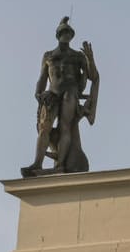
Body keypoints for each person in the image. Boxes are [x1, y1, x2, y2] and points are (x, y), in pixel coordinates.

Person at [24, 16, 98, 177]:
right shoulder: (48, 55)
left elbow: (92, 76)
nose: (66, 35)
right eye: (63, 32)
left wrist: (90, 60)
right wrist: (38, 94)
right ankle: (37, 163)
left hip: (70, 92)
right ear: (58, 35)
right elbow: (42, 78)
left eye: (69, 32)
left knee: (65, 127)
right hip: (52, 93)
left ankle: (60, 164)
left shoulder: (77, 56)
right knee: (44, 129)